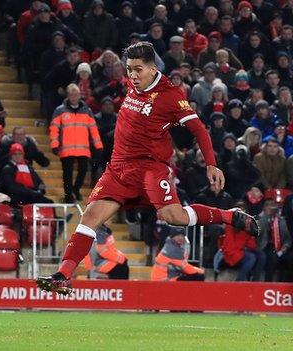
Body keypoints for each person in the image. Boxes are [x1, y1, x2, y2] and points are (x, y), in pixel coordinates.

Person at [36, 42, 258, 295]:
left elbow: (198, 129)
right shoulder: (133, 83)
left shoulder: (170, 96)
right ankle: (63, 274)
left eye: (138, 69)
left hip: (149, 168)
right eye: (129, 69)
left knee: (176, 217)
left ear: (153, 69)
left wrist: (211, 164)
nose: (132, 75)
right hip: (118, 168)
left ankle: (230, 216)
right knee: (89, 218)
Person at [50, 84, 103, 203]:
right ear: (68, 96)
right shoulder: (60, 110)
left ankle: (75, 189)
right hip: (66, 148)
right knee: (67, 174)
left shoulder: (87, 110)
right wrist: (54, 144)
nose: (73, 97)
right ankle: (68, 195)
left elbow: (93, 129)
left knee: (83, 171)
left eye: (76, 94)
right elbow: (54, 129)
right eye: (71, 94)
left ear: (79, 95)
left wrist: (98, 146)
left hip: (82, 148)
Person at [258, 200, 293, 282]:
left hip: (281, 248)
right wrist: (265, 216)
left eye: (272, 205)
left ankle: (286, 285)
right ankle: (268, 283)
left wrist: (284, 248)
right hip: (266, 246)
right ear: (264, 208)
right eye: (268, 205)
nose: (271, 207)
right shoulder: (260, 219)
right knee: (272, 258)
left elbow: (288, 238)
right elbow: (259, 234)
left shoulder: (281, 220)